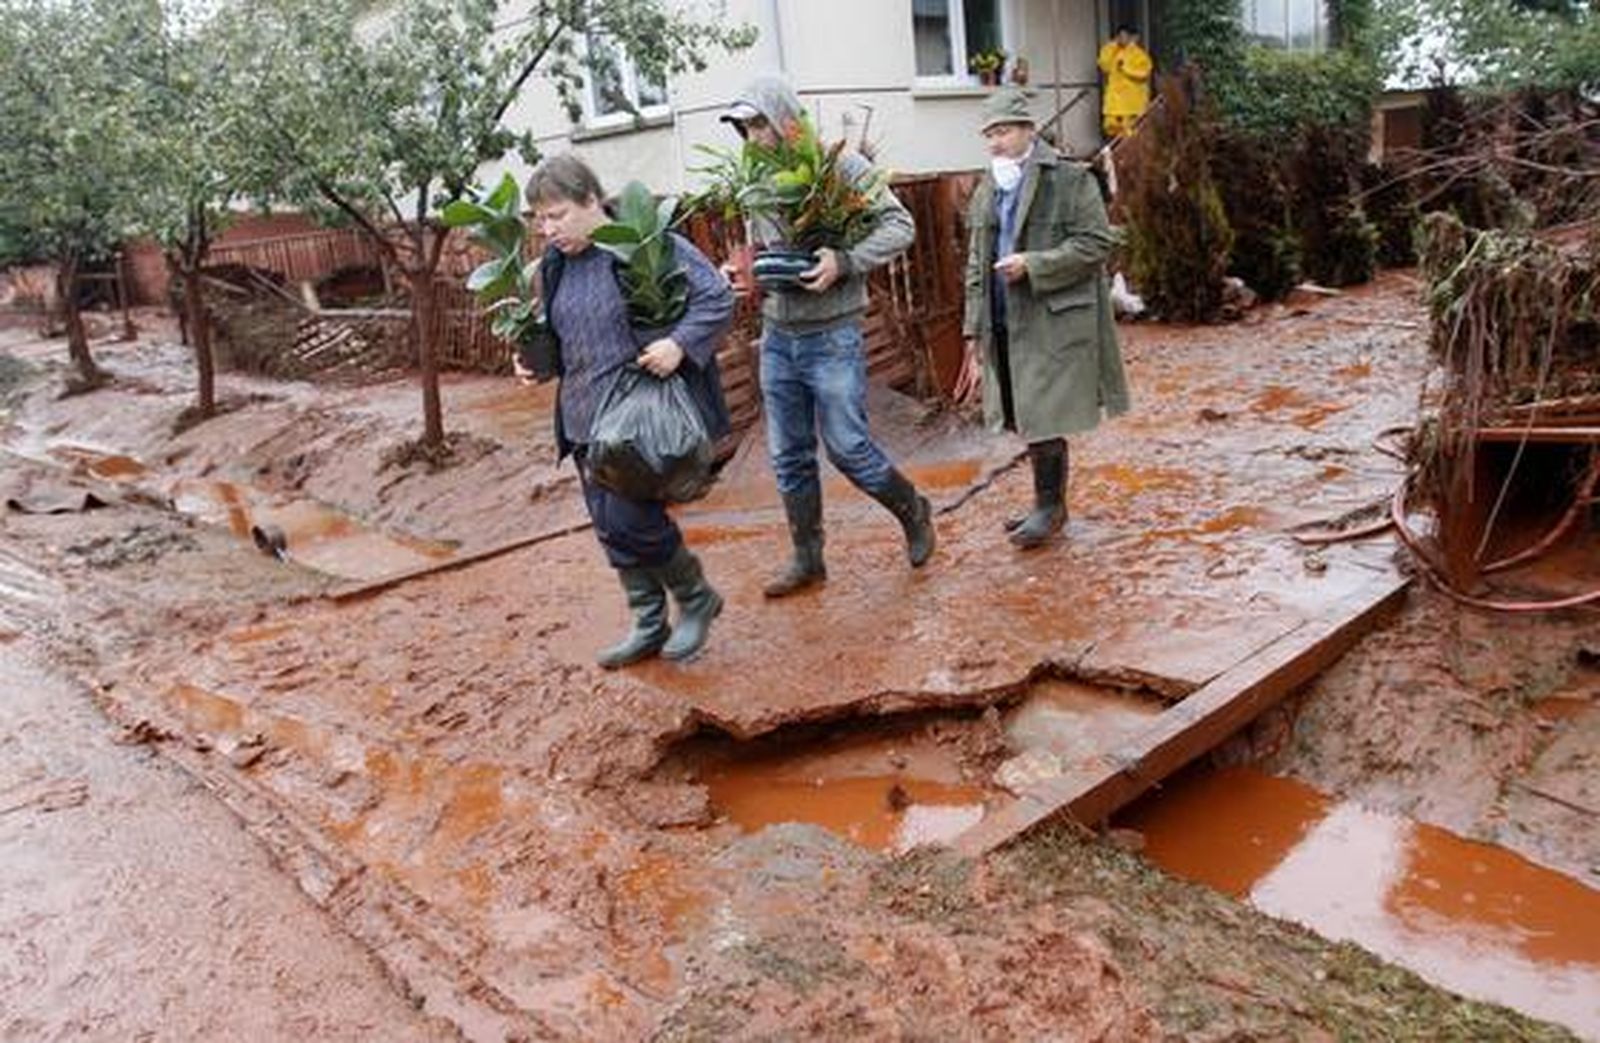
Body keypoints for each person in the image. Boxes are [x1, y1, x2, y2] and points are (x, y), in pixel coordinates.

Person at [718, 75, 936, 598]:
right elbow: (765, 251)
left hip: (831, 335)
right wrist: (748, 274)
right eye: (743, 129)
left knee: (847, 447)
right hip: (778, 336)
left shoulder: (840, 169)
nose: (751, 139)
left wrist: (845, 261)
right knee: (788, 455)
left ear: (786, 121)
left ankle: (913, 509)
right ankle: (807, 558)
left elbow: (898, 225)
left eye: (758, 125)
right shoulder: (757, 185)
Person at [517, 154, 735, 667]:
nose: (547, 230)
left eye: (558, 215)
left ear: (593, 200)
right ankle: (647, 621)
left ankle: (697, 596)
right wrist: (535, 363)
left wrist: (679, 344)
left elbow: (717, 298)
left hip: (637, 422)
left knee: (631, 520)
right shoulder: (555, 266)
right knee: (609, 526)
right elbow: (562, 331)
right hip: (583, 418)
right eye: (539, 220)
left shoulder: (644, 243)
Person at [954, 89, 1131, 548]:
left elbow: (1095, 244)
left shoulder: (1070, 179)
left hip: (1052, 317)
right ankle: (1047, 503)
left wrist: (1035, 265)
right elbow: (976, 263)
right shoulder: (988, 186)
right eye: (990, 134)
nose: (996, 143)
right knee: (1023, 411)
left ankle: (1050, 508)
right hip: (1002, 318)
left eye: (1005, 131)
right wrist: (972, 329)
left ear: (1029, 130)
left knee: (1043, 412)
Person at [1097, 24, 1153, 139]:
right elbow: (1104, 64)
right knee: (1111, 128)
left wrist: (1126, 69)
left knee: (1131, 132)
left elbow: (1144, 74)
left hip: (1132, 103)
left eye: (1125, 36)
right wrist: (1113, 45)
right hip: (1115, 103)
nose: (1123, 39)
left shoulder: (1140, 55)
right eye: (1120, 36)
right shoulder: (1113, 51)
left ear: (1133, 37)